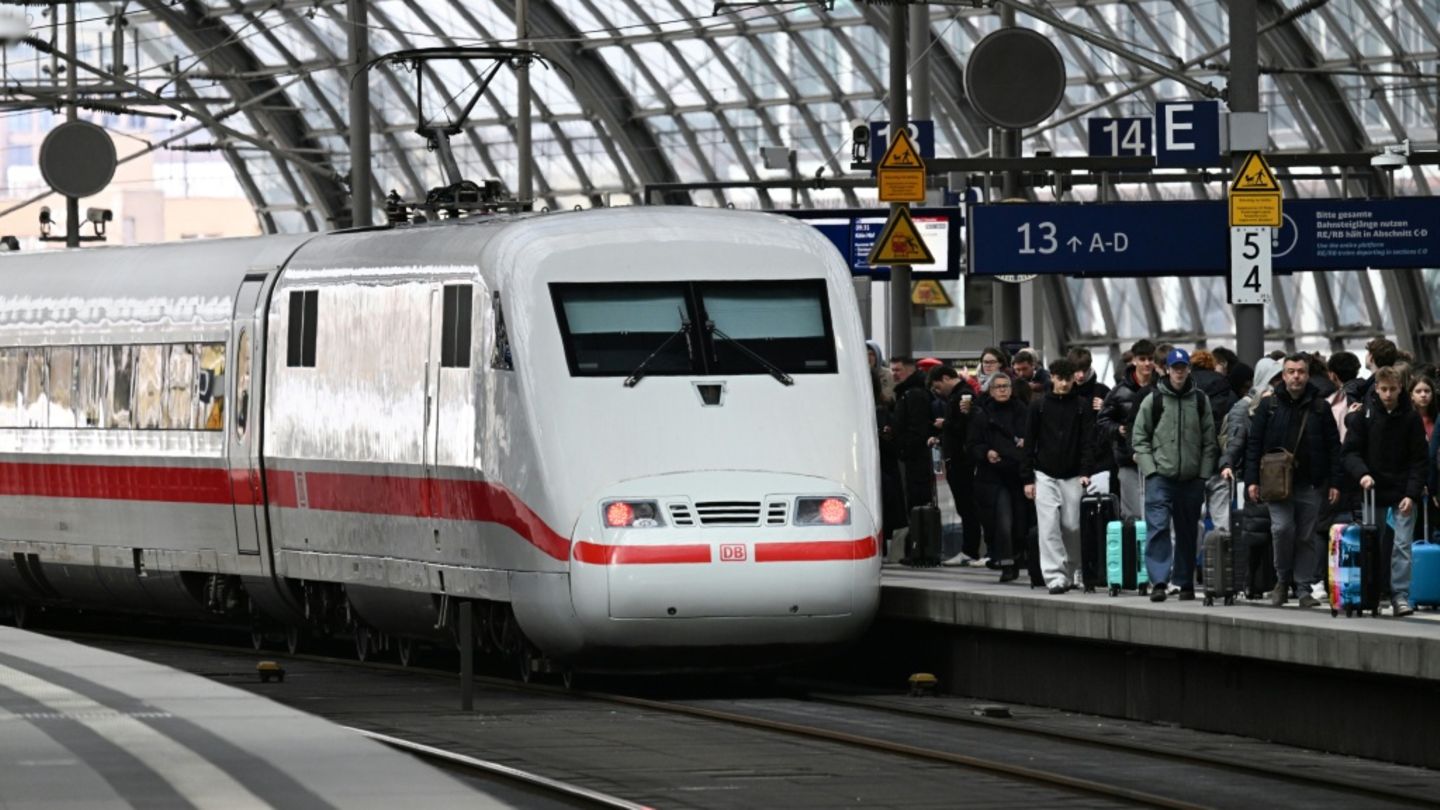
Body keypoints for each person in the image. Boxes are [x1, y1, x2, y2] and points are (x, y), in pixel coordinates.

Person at [1245, 353, 1343, 607]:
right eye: (1291, 372)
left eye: (1301, 371)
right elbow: (1254, 444)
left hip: (1310, 481)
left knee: (1306, 536)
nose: (1296, 376)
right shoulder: (1269, 405)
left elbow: (1334, 447)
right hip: (1276, 483)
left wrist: (1335, 482)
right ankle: (1282, 579)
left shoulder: (1320, 407)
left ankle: (1303, 587)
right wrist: (1252, 479)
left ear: (1308, 375)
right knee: (1282, 529)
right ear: (1283, 375)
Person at [1130, 349, 1218, 601]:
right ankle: (1159, 581)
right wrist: (1151, 470)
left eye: (1183, 367)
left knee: (1188, 530)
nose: (1179, 372)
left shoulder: (1200, 400)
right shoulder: (1154, 399)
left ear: (1189, 369)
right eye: (1175, 367)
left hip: (1191, 478)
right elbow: (1139, 437)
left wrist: (1202, 475)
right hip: (1160, 477)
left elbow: (1209, 440)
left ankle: (1183, 581)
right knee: (1158, 527)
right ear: (1167, 370)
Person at [1343, 366, 1426, 617]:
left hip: (1401, 491)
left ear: (1401, 389)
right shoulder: (1364, 416)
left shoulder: (1411, 419)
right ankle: (1373, 592)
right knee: (1373, 544)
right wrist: (1362, 474)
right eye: (1384, 389)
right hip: (1373, 489)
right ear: (1376, 390)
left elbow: (1419, 460)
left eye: (1392, 389)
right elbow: (1350, 452)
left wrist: (1411, 494)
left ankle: (1399, 595)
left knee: (1402, 545)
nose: (1388, 394)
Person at [1023, 358, 1095, 594]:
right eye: (1060, 379)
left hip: (1073, 475)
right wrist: (1027, 478)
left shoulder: (1082, 406)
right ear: (1052, 377)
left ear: (1074, 379)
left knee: (1072, 526)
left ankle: (1073, 569)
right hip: (1044, 474)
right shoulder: (1038, 405)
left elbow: (1087, 442)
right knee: (1048, 526)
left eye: (1068, 379)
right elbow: (1029, 442)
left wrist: (1085, 471)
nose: (1064, 384)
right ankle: (1055, 576)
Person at [968, 371, 1028, 582]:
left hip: (1019, 474)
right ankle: (1007, 563)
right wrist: (986, 452)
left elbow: (1033, 436)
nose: (1002, 390)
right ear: (990, 391)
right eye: (998, 387)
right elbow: (972, 444)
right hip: (994, 476)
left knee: (1020, 522)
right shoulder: (982, 414)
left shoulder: (1022, 410)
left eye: (1006, 386)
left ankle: (1018, 557)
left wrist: (1027, 442)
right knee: (1003, 520)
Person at [928, 364, 983, 564]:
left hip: (962, 460)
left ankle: (970, 550)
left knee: (967, 506)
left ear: (945, 378)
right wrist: (940, 438)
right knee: (965, 506)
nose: (937, 392)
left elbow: (963, 426)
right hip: (958, 458)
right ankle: (969, 549)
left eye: (937, 386)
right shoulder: (958, 395)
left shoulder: (963, 395)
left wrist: (945, 424)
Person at [1098, 339, 1157, 519]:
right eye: (1142, 359)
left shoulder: (1161, 387)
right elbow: (1102, 421)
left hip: (1157, 459)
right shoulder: (1119, 392)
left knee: (1157, 510)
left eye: (1150, 359)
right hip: (1128, 459)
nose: (1147, 363)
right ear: (1134, 360)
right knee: (1133, 514)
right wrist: (1118, 429)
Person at [890, 356, 936, 511]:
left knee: (918, 496)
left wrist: (904, 447)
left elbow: (918, 426)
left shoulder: (913, 393)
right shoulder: (908, 391)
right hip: (914, 453)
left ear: (910, 370)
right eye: (892, 370)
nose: (894, 374)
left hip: (916, 455)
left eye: (898, 370)